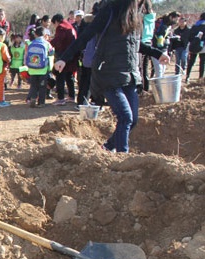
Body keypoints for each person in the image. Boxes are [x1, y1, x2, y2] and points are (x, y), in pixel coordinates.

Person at [54, 0, 170, 154]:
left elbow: (135, 43)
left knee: (133, 120)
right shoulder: (109, 11)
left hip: (129, 74)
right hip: (107, 73)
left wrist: (158, 53)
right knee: (125, 117)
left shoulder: (135, 15)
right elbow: (85, 36)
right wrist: (64, 58)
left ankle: (108, 147)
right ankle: (123, 158)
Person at [50, 13, 78, 105]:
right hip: (72, 54)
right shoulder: (70, 26)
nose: (54, 26)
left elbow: (58, 40)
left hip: (63, 55)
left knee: (60, 76)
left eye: (54, 24)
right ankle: (71, 96)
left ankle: (61, 98)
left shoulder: (61, 27)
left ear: (56, 21)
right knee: (69, 76)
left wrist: (48, 44)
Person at [26, 26, 54, 108]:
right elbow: (51, 53)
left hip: (32, 69)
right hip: (43, 69)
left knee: (33, 85)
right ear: (44, 34)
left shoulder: (31, 43)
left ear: (35, 34)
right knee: (42, 87)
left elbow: (27, 55)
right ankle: (41, 102)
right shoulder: (46, 43)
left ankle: (33, 98)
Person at [151, 11, 180, 78]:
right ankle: (159, 87)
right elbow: (158, 35)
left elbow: (167, 36)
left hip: (164, 49)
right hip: (156, 49)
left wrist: (174, 37)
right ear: (171, 17)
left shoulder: (168, 26)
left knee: (163, 69)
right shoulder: (161, 24)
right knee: (159, 70)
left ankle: (160, 85)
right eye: (176, 19)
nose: (177, 21)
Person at [139, 0, 155, 92]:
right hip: (149, 41)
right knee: (145, 68)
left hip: (142, 42)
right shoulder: (152, 17)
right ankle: (146, 88)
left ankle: (141, 89)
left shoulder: (142, 18)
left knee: (140, 68)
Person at [186, 13, 205, 83]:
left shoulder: (194, 26)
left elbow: (189, 36)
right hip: (203, 46)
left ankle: (187, 77)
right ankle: (200, 78)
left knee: (191, 62)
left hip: (193, 45)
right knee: (202, 62)